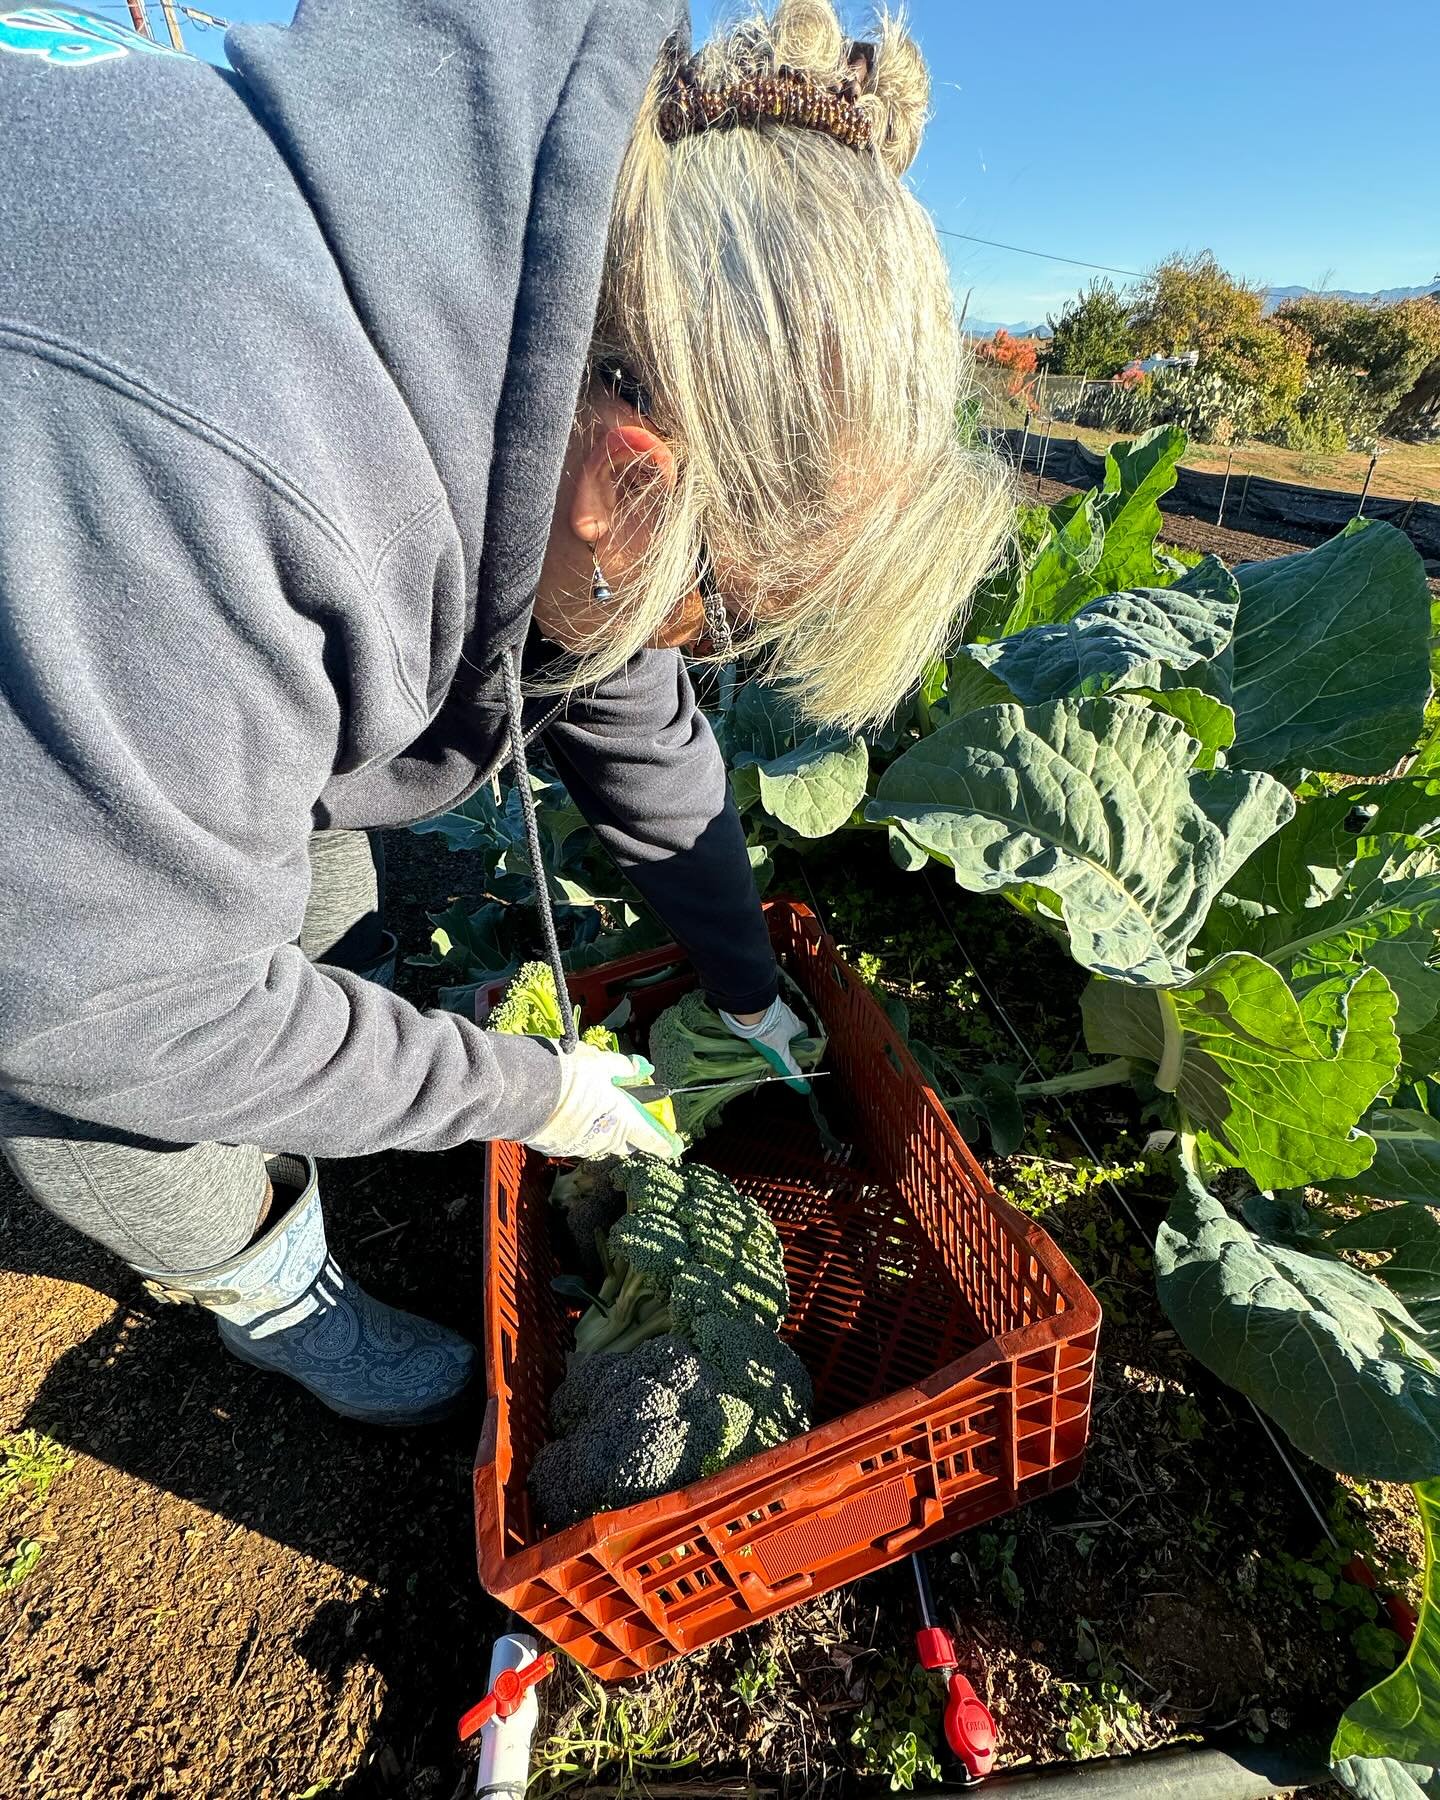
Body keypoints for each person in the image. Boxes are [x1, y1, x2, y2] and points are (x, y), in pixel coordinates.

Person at [0, 0, 1009, 1427]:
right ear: (631, 480)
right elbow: (100, 1006)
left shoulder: (521, 311)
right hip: (77, 702)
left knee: (317, 878)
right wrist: (526, 1093)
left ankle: (344, 1107)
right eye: (724, 618)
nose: (702, 652)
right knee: (105, 1094)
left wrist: (740, 976)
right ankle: (270, 1283)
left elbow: (629, 711)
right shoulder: (223, 480)